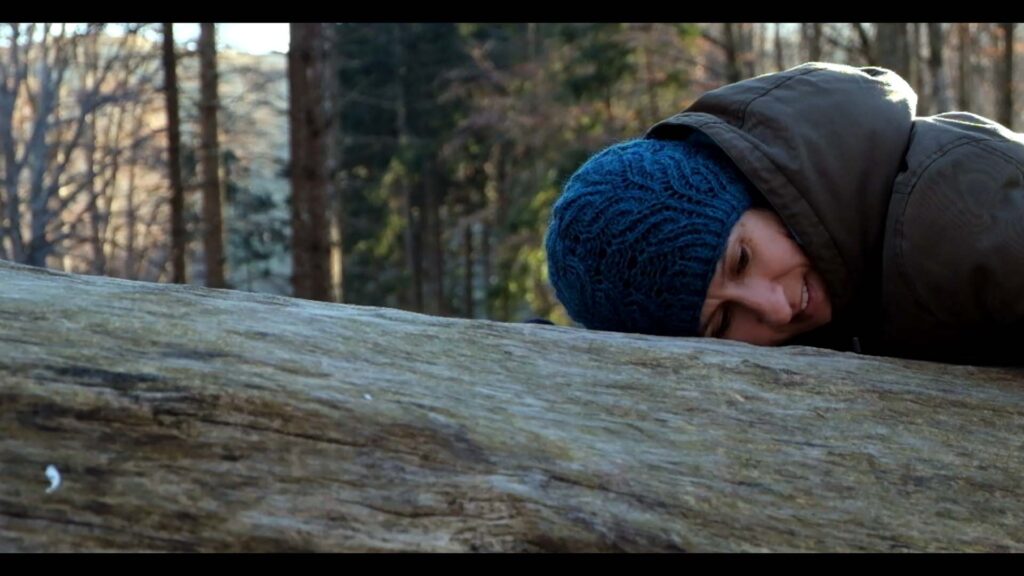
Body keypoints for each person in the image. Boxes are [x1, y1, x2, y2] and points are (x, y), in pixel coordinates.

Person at [545, 62, 1024, 366]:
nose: (774, 309)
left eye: (741, 260)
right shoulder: (853, 268)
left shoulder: (958, 214)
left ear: (760, 188)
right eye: (723, 324)